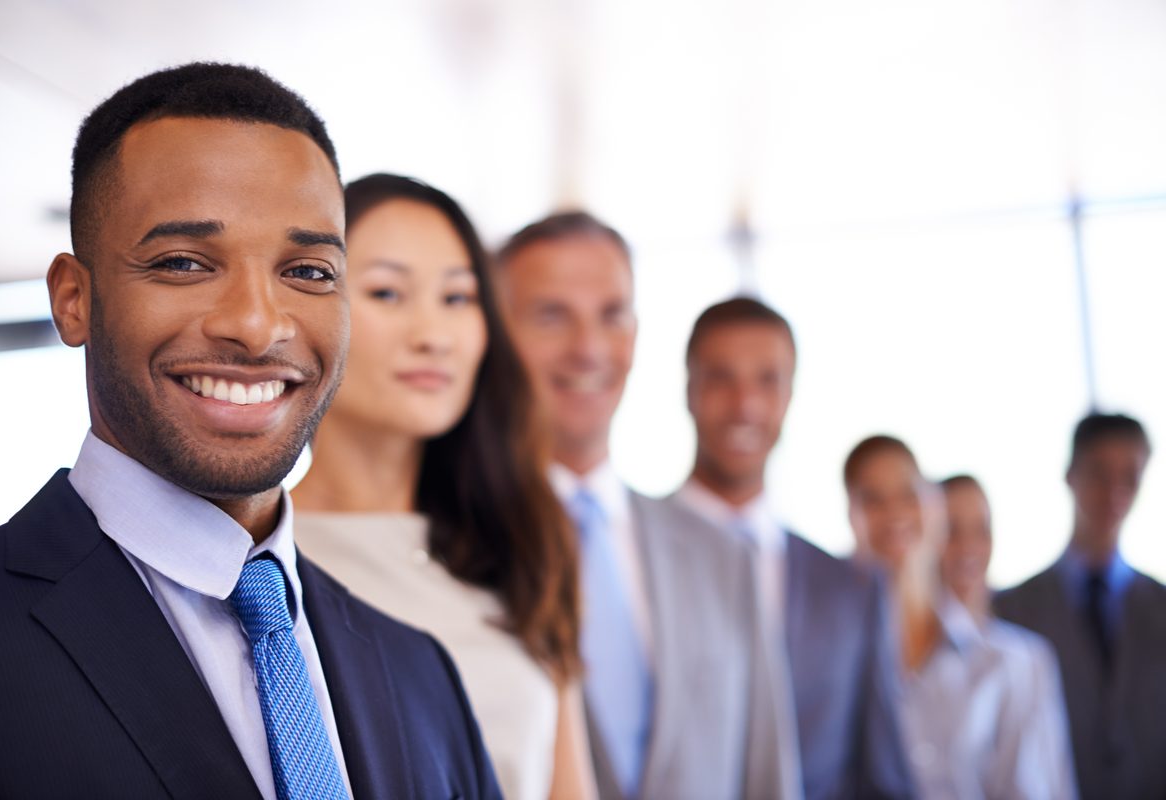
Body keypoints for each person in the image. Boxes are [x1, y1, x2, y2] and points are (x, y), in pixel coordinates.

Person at [0, 64, 500, 799]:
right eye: (183, 263)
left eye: (308, 272)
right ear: (74, 298)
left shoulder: (418, 671)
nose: (256, 326)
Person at [290, 173, 595, 800]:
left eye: (458, 299)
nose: (433, 335)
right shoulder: (259, 567)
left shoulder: (520, 537)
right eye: (387, 292)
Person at [494, 212, 801, 800]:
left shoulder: (721, 557)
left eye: (611, 315)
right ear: (497, 335)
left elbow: (768, 777)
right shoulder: (456, 550)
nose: (588, 349)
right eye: (552, 316)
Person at [670, 297, 914, 799]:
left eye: (767, 380)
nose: (745, 405)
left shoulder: (852, 590)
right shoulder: (623, 559)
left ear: (790, 393)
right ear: (688, 390)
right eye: (721, 378)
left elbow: (881, 777)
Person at [845, 435, 1076, 800]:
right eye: (873, 500)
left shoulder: (1017, 663)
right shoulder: (841, 656)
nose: (893, 515)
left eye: (907, 496)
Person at [995, 413, 1166, 799]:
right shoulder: (1010, 611)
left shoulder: (1162, 606)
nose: (1114, 492)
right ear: (1071, 474)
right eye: (1100, 474)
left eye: (1130, 477)